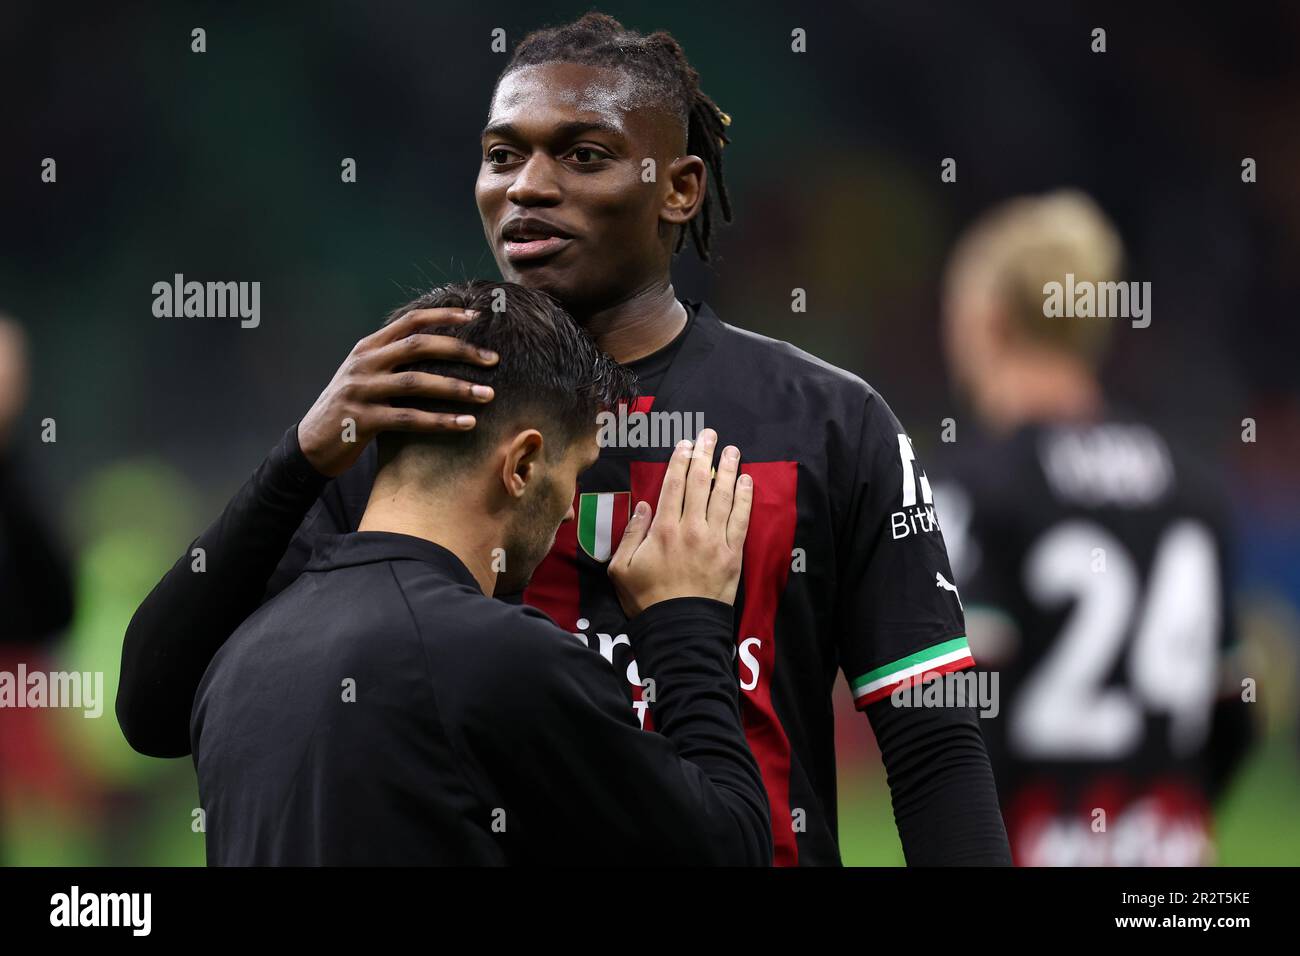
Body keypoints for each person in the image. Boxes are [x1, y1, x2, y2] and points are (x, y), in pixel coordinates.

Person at [121, 13, 1009, 866]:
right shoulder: (415, 410)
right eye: (502, 155)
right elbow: (156, 709)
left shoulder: (829, 421)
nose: (528, 186)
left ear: (680, 189)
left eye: (583, 156)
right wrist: (299, 457)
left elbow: (933, 752)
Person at [191, 281, 770, 865]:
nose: (572, 507)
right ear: (521, 464)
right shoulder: (501, 659)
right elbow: (729, 851)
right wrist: (686, 622)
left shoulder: (237, 658)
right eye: (576, 473)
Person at [934, 190, 1255, 866]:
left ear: (987, 321)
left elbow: (957, 719)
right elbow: (1236, 715)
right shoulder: (1194, 489)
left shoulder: (978, 488)